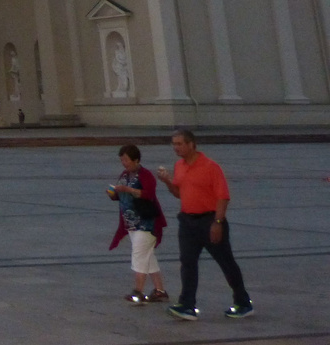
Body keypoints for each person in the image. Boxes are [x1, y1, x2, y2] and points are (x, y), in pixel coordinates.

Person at [157, 129, 253, 320]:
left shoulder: (210, 167)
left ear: (191, 144)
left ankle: (243, 302)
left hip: (209, 221)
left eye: (179, 144)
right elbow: (179, 193)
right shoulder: (179, 166)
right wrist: (167, 181)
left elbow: (223, 197)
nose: (176, 148)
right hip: (187, 221)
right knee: (188, 262)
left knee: (226, 262)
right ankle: (187, 304)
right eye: (174, 144)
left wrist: (218, 222)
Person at [108, 144, 168, 303]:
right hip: (131, 224)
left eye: (126, 160)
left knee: (139, 256)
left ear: (136, 160)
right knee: (148, 257)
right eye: (122, 160)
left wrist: (127, 190)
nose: (124, 163)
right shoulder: (124, 174)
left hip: (146, 223)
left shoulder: (145, 175)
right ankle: (160, 290)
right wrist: (115, 194)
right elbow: (121, 194)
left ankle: (138, 291)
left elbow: (148, 194)